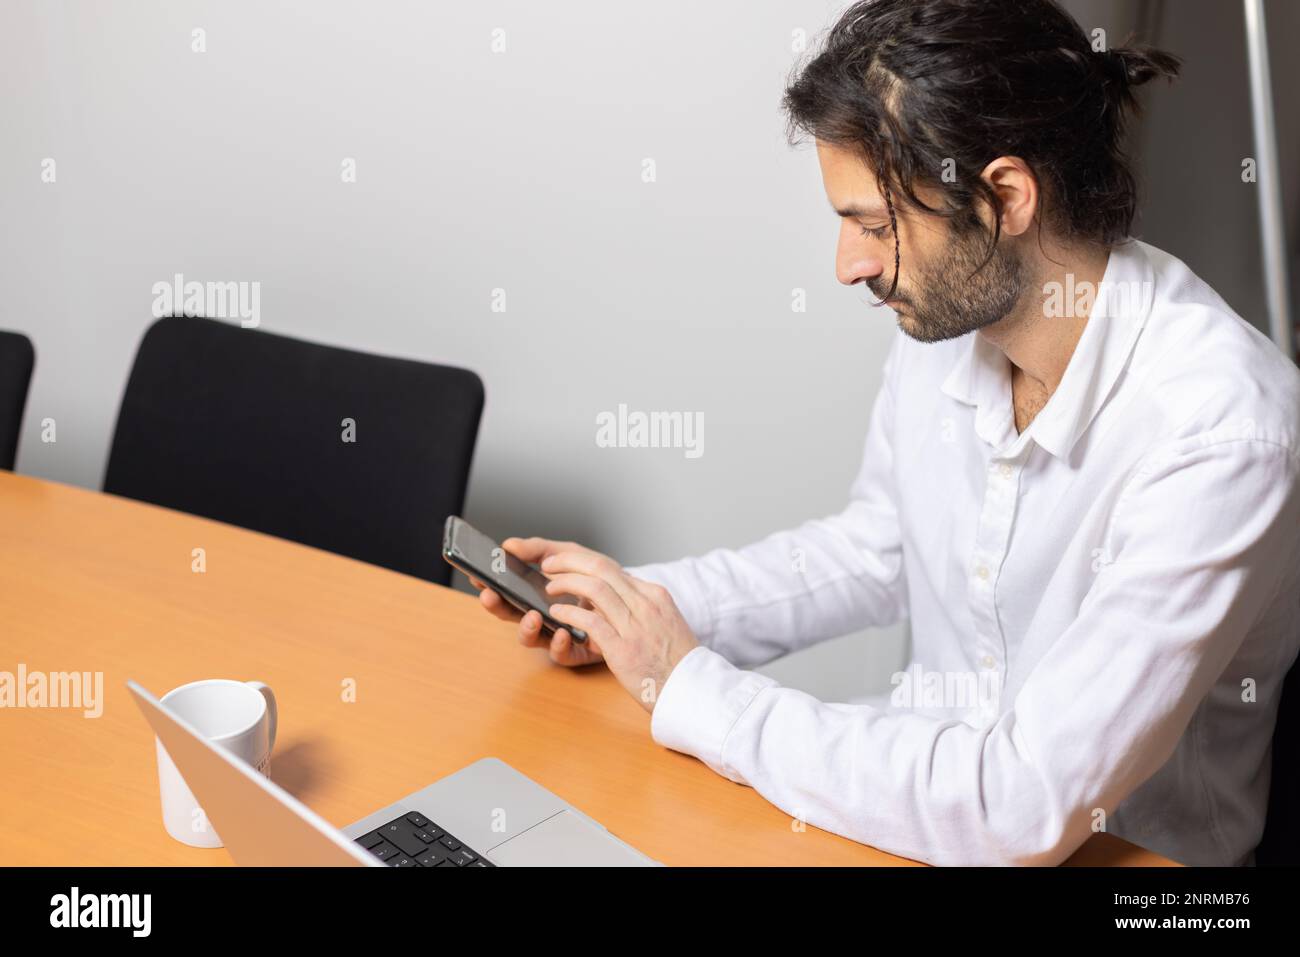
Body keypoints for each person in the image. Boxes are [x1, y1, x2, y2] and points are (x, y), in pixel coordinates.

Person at [470, 0, 1300, 866]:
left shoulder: (1222, 435)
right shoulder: (952, 326)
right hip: (904, 821)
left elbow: (1017, 804)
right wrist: (631, 613)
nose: (849, 266)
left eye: (875, 225)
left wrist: (692, 688)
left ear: (1006, 197)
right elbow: (876, 550)